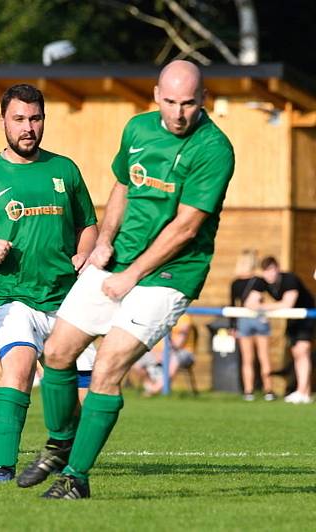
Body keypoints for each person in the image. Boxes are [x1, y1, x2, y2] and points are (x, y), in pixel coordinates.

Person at [38, 60, 234, 500]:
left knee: (107, 368)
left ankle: (76, 478)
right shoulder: (138, 129)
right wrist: (104, 241)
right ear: (155, 95)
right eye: (170, 102)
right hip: (120, 261)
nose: (179, 113)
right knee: (56, 352)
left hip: (170, 273)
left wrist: (131, 275)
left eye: (188, 103)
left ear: (204, 99)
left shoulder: (214, 149)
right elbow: (123, 185)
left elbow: (186, 227)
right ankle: (60, 441)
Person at [0, 83, 98, 483]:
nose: (27, 127)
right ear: (2, 122)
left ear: (44, 120)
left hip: (67, 296)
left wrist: (86, 252)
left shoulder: (65, 170)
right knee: (17, 367)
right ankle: (3, 465)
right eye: (19, 119)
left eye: (35, 118)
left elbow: (89, 224)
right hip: (10, 295)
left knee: (84, 390)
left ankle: (66, 458)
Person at [246, 256, 314, 404]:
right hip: (293, 319)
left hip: (307, 315)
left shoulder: (290, 279)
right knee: (296, 353)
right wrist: (260, 306)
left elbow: (287, 304)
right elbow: (249, 303)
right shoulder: (261, 281)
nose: (269, 274)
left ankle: (303, 392)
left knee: (303, 351)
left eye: (271, 270)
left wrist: (262, 308)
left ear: (277, 268)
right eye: (266, 271)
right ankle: (304, 392)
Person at [230, 250, 273, 401]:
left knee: (247, 359)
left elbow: (232, 305)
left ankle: (248, 391)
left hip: (243, 319)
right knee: (264, 357)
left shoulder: (235, 283)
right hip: (259, 318)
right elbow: (272, 294)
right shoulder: (259, 281)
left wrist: (232, 327)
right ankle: (268, 391)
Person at [130, 313, 195, 396]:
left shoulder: (184, 318)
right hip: (156, 352)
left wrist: (165, 354)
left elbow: (179, 344)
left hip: (180, 352)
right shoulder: (159, 316)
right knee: (134, 359)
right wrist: (155, 352)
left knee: (174, 361)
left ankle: (155, 390)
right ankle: (150, 386)